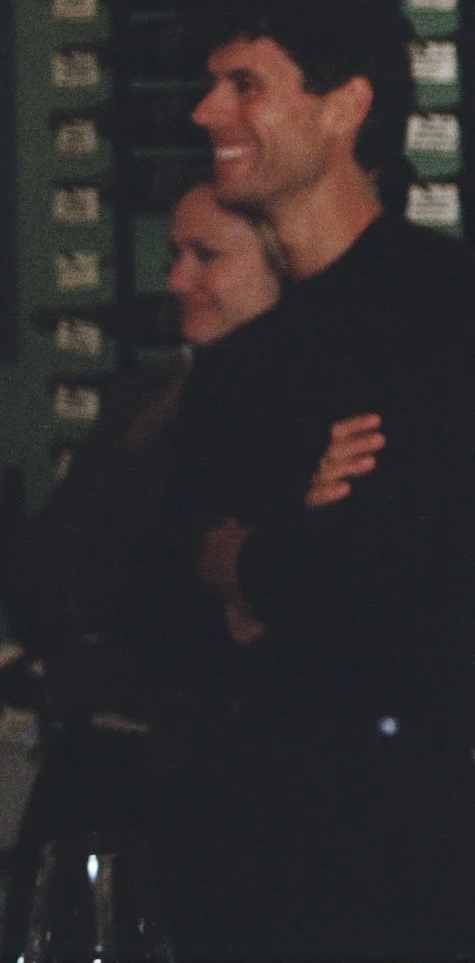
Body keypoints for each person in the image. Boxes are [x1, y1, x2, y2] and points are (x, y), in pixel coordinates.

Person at [155, 0, 475, 960]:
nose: (209, 111)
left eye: (246, 84)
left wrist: (258, 561)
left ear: (345, 107)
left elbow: (399, 585)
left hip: (379, 846)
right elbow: (170, 583)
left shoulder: (445, 307)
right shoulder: (246, 354)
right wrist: (293, 541)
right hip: (232, 836)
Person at [0, 183, 283, 959]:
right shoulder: (144, 400)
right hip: (92, 769)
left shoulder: (296, 422)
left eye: (208, 256)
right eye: (174, 256)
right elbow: (39, 583)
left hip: (214, 794)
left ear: (280, 272)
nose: (178, 280)